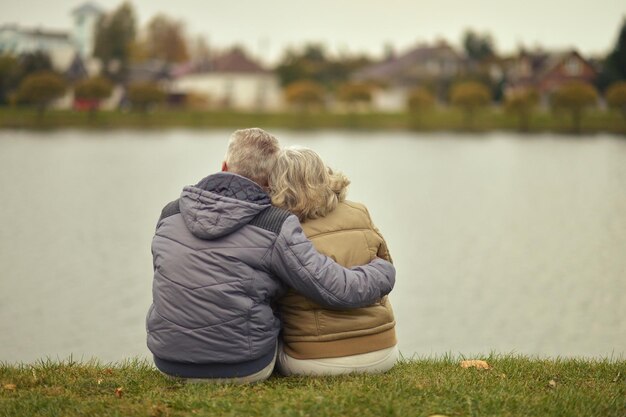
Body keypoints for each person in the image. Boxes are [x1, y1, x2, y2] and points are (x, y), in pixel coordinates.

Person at [146, 128, 395, 383]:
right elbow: (334, 288)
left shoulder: (170, 214)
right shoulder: (274, 225)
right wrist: (383, 270)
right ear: (271, 180)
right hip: (245, 368)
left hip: (168, 362)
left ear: (223, 165)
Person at [269, 147, 398, 376]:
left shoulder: (280, 228)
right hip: (383, 351)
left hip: (314, 360)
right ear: (323, 175)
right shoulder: (360, 212)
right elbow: (384, 261)